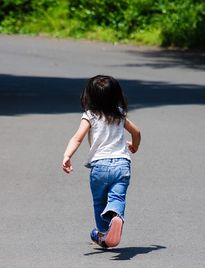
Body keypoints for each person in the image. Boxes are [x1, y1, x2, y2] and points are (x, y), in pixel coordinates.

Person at [62, 75, 141, 248]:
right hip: (122, 164)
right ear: (116, 96)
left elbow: (77, 139)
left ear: (89, 96)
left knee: (99, 201)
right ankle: (116, 217)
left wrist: (67, 156)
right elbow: (136, 133)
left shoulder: (90, 115)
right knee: (117, 197)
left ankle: (104, 232)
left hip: (99, 166)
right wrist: (134, 146)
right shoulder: (120, 114)